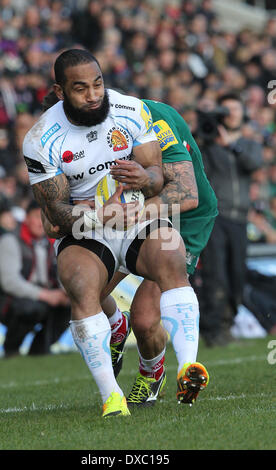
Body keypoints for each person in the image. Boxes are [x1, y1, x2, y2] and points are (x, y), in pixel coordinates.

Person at [24, 48, 208, 418]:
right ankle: (113, 396)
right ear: (60, 92)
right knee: (78, 282)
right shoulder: (41, 138)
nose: (94, 95)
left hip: (138, 216)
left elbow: (158, 175)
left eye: (98, 84)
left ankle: (189, 366)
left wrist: (145, 177)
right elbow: (56, 211)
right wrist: (96, 216)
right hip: (88, 228)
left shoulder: (130, 110)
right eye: (81, 89)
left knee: (170, 258)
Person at [100, 99, 218, 407]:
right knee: (86, 288)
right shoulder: (64, 131)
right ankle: (115, 326)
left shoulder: (152, 118)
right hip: (131, 212)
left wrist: (123, 214)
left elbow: (187, 195)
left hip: (181, 219)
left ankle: (153, 375)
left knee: (145, 317)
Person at [197, 92, 263, 346]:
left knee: (237, 275)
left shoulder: (249, 144)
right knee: (216, 275)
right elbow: (197, 166)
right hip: (216, 217)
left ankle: (227, 323)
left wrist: (230, 146)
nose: (232, 113)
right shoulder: (207, 143)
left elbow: (253, 164)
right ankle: (214, 331)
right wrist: (204, 134)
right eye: (226, 110)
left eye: (236, 108)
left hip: (239, 218)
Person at [0, 200, 70, 357]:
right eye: (37, 217)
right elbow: (10, 283)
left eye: (45, 218)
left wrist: (64, 294)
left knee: (71, 305)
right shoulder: (9, 241)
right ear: (26, 219)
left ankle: (39, 350)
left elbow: (62, 274)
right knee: (30, 308)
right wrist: (48, 296)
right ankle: (11, 348)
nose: (41, 223)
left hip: (41, 297)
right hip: (6, 300)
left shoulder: (53, 242)